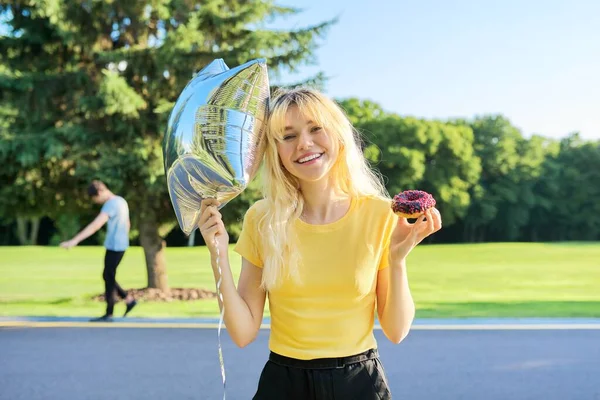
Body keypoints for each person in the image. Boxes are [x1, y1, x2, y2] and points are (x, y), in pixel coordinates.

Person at [198, 88, 442, 399]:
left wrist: (397, 260)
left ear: (338, 135)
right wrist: (217, 253)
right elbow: (243, 333)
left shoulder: (381, 214)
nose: (304, 143)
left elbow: (396, 331)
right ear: (275, 150)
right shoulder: (262, 219)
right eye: (288, 136)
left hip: (359, 383)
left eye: (316, 129)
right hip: (284, 383)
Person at [60, 180, 137, 322]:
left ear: (100, 192)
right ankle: (128, 300)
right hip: (121, 245)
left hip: (114, 246)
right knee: (108, 275)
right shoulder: (121, 201)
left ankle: (110, 313)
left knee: (108, 276)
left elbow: (95, 225)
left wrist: (75, 241)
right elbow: (127, 223)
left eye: (95, 199)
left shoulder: (111, 204)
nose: (97, 202)